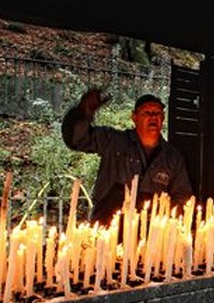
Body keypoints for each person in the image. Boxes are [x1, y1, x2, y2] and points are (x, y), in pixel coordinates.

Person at [62, 90, 192, 224]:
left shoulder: (172, 158)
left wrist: (162, 212)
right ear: (134, 117)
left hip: (149, 233)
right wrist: (84, 111)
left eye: (157, 113)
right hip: (107, 226)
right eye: (147, 113)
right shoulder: (114, 142)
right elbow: (77, 140)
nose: (153, 117)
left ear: (163, 118)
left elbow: (182, 197)